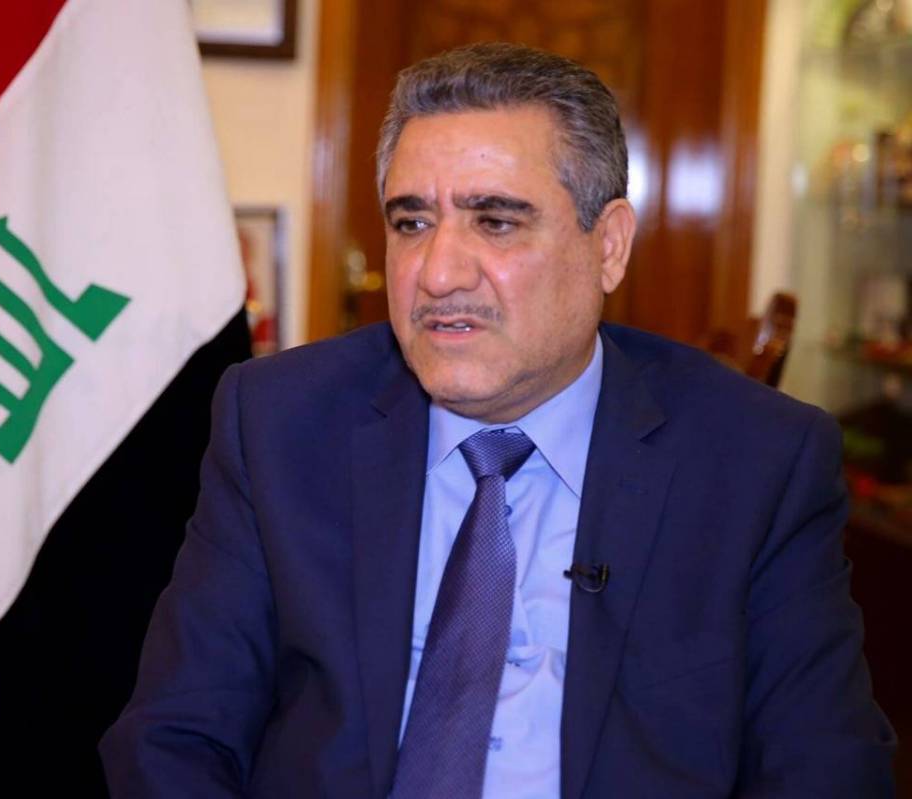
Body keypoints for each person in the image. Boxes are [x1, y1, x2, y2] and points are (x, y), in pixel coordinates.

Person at [101, 43, 895, 798]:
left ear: (609, 246)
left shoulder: (758, 463)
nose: (438, 273)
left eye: (497, 221)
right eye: (412, 222)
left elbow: (826, 772)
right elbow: (173, 738)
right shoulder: (279, 423)